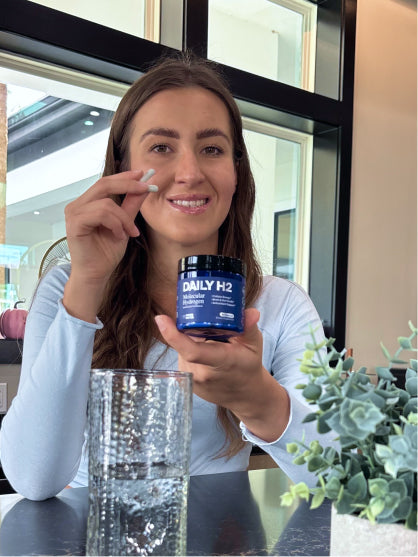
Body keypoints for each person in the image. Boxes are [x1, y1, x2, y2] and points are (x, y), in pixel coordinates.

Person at [0, 52, 334, 501]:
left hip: (219, 534)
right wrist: (88, 283)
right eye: (161, 147)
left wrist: (259, 399)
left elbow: (340, 476)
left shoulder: (281, 304)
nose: (190, 173)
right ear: (124, 167)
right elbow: (32, 478)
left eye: (212, 149)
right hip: (92, 531)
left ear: (236, 172)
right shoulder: (66, 287)